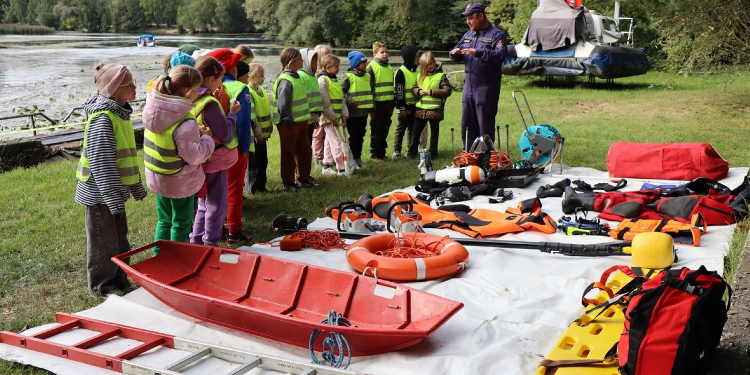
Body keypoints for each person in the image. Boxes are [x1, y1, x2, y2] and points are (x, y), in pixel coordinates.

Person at [75, 63, 146, 297]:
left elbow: (127, 157)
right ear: (114, 89)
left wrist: (135, 187)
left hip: (114, 193)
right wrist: (112, 197)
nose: (135, 88)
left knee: (119, 237)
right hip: (100, 194)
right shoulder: (103, 119)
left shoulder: (120, 114)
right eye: (130, 84)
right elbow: (101, 164)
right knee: (102, 241)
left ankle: (120, 278)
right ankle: (101, 284)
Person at [142, 66, 214, 252]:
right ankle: (177, 259)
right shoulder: (185, 120)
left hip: (158, 177)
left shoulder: (153, 110)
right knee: (181, 222)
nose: (199, 93)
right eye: (198, 89)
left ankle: (159, 257)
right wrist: (207, 139)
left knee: (164, 220)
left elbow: (169, 138)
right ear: (186, 91)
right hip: (180, 181)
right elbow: (195, 155)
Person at [190, 56, 241, 246]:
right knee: (216, 205)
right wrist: (233, 113)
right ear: (211, 79)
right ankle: (210, 244)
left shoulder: (192, 97)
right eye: (220, 79)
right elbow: (225, 131)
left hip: (201, 158)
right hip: (216, 158)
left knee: (203, 204)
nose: (221, 83)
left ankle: (196, 241)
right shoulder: (209, 103)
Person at [207, 49, 255, 245]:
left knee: (211, 193)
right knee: (234, 190)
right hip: (232, 149)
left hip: (208, 149)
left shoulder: (206, 86)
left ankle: (212, 229)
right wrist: (245, 148)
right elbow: (243, 123)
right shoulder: (240, 88)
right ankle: (234, 231)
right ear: (231, 68)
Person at [449, 2, 507, 147]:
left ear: (481, 16)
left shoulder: (497, 35)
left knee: (484, 126)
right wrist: (454, 53)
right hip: (468, 88)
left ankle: (485, 159)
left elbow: (499, 56)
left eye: (471, 18)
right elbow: (456, 50)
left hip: (486, 88)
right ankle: (469, 158)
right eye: (466, 19)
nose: (468, 22)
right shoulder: (468, 35)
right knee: (467, 125)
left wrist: (479, 52)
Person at [273, 47, 315, 192]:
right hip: (289, 124)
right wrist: (287, 119)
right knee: (288, 154)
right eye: (299, 59)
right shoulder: (286, 80)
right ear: (292, 62)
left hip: (301, 122)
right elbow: (282, 104)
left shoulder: (298, 77)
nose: (302, 61)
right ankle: (288, 182)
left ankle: (303, 178)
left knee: (305, 151)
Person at [406, 52, 452, 159]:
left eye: (431, 63)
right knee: (415, 133)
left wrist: (431, 92)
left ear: (434, 63)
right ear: (422, 66)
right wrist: (418, 91)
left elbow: (447, 90)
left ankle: (433, 154)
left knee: (434, 134)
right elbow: (414, 88)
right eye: (427, 65)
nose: (430, 66)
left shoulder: (441, 76)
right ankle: (411, 153)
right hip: (421, 110)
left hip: (435, 110)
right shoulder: (419, 76)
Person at [317, 54, 348, 175]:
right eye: (336, 66)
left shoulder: (335, 79)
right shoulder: (322, 80)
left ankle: (327, 165)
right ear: (328, 67)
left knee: (329, 141)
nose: (338, 68)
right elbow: (324, 101)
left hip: (335, 117)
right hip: (328, 118)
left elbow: (341, 99)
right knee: (337, 142)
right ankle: (342, 168)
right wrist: (333, 118)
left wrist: (344, 116)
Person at [342, 51, 373, 169]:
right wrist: (351, 102)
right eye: (362, 63)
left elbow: (370, 93)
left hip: (363, 113)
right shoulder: (348, 77)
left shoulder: (367, 76)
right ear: (356, 64)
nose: (365, 64)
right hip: (353, 114)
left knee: (360, 136)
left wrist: (371, 109)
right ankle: (352, 159)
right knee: (354, 137)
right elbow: (342, 92)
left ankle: (358, 158)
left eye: (365, 62)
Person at [245, 63, 273, 194]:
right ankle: (253, 188)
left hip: (264, 134)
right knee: (254, 163)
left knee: (263, 161)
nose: (263, 78)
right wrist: (258, 135)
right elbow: (252, 116)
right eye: (260, 75)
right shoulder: (248, 92)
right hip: (255, 136)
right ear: (250, 75)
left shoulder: (261, 91)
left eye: (263, 75)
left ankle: (261, 186)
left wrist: (270, 125)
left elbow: (266, 109)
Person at [366, 42, 395, 161]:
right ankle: (375, 155)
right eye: (382, 52)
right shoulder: (371, 68)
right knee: (376, 130)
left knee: (385, 129)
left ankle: (382, 153)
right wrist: (371, 108)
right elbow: (369, 89)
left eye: (386, 52)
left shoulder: (388, 67)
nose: (385, 54)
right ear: (375, 54)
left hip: (388, 104)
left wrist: (392, 104)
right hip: (377, 105)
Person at [392, 45, 420, 159]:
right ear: (410, 57)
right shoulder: (400, 72)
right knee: (401, 129)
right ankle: (396, 151)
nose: (419, 58)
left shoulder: (417, 72)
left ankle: (410, 150)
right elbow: (398, 92)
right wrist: (401, 108)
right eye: (417, 55)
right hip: (404, 106)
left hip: (415, 106)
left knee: (412, 130)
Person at [299, 48, 323, 158]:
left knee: (308, 145)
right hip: (304, 118)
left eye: (316, 60)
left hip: (312, 117)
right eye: (312, 61)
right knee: (303, 146)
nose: (315, 63)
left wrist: (316, 117)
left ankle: (305, 172)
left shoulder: (312, 76)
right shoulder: (301, 76)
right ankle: (300, 172)